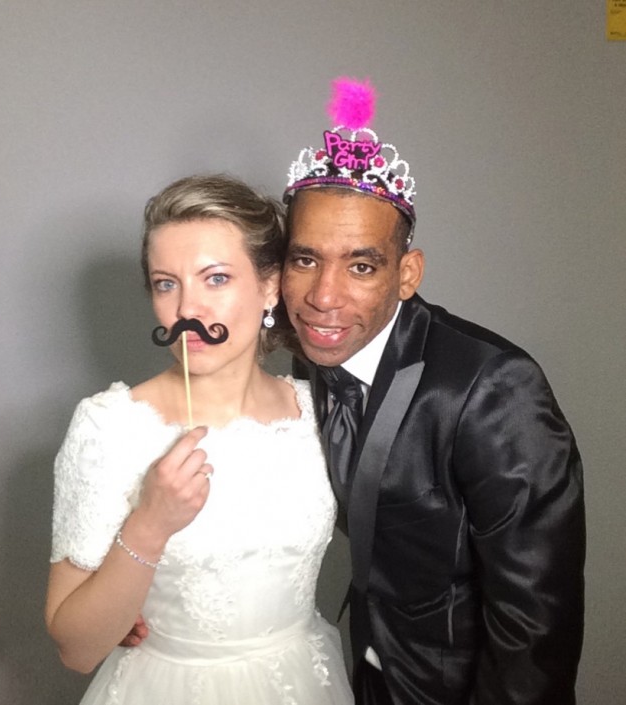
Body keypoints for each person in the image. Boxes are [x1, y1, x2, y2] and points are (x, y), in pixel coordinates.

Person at [280, 77, 585, 704]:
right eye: (305, 259)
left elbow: (536, 624)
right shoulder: (311, 354)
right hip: (363, 664)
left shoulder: (495, 388)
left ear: (407, 274)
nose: (323, 296)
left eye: (361, 265)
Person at [45, 174, 354, 705]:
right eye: (167, 284)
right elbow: (77, 650)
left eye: (215, 279)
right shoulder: (109, 426)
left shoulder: (320, 411)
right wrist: (148, 527)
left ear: (270, 286)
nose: (188, 311)